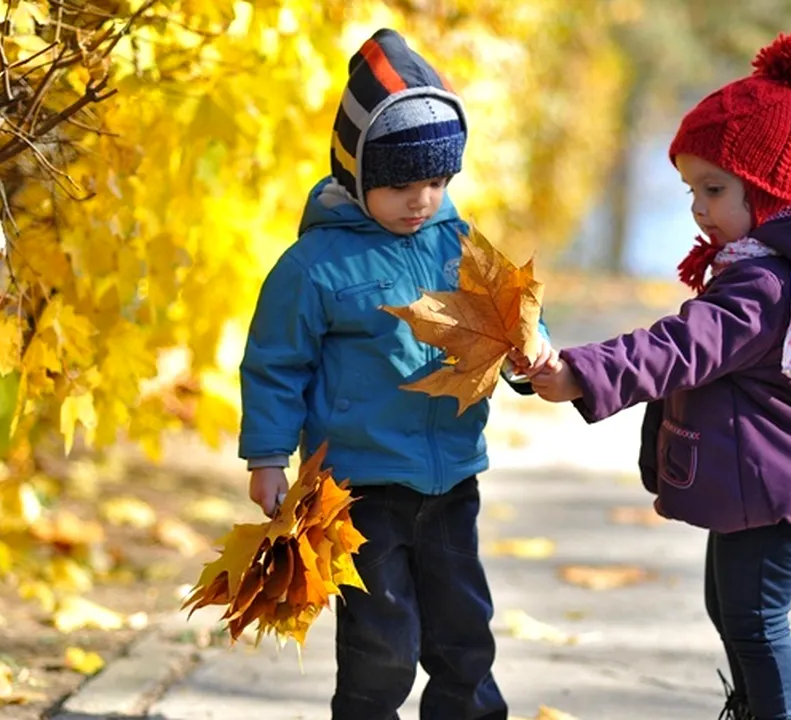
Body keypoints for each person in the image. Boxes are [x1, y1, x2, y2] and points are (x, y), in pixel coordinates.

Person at [522, 33, 791, 720]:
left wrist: (582, 372)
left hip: (786, 485)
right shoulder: (753, 265)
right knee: (730, 608)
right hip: (769, 479)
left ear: (769, 193)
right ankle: (757, 708)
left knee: (755, 620)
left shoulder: (764, 288)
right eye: (692, 189)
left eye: (713, 189)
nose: (697, 207)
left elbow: (684, 346)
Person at [239, 28, 550, 720]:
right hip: (363, 486)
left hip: (452, 478)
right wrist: (267, 457)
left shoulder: (458, 242)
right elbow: (274, 365)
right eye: (401, 184)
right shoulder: (315, 266)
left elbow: (514, 315)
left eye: (438, 181)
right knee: (383, 643)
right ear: (355, 173)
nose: (422, 200)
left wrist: (533, 354)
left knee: (463, 630)